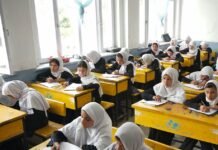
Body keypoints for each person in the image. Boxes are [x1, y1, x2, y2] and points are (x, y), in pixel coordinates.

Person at [141, 67, 185, 145]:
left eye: (169, 79)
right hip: (159, 113)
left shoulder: (178, 87)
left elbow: (181, 100)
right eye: (164, 78)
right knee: (154, 128)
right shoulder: (160, 86)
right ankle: (152, 144)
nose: (165, 81)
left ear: (174, 79)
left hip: (172, 117)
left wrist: (165, 98)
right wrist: (153, 97)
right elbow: (144, 94)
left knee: (163, 133)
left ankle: (162, 146)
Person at [180, 80, 218, 150]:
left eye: (213, 92)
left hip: (215, 127)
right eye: (207, 92)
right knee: (198, 132)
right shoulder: (202, 96)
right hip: (203, 124)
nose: (209, 95)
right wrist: (199, 107)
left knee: (199, 133)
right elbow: (187, 102)